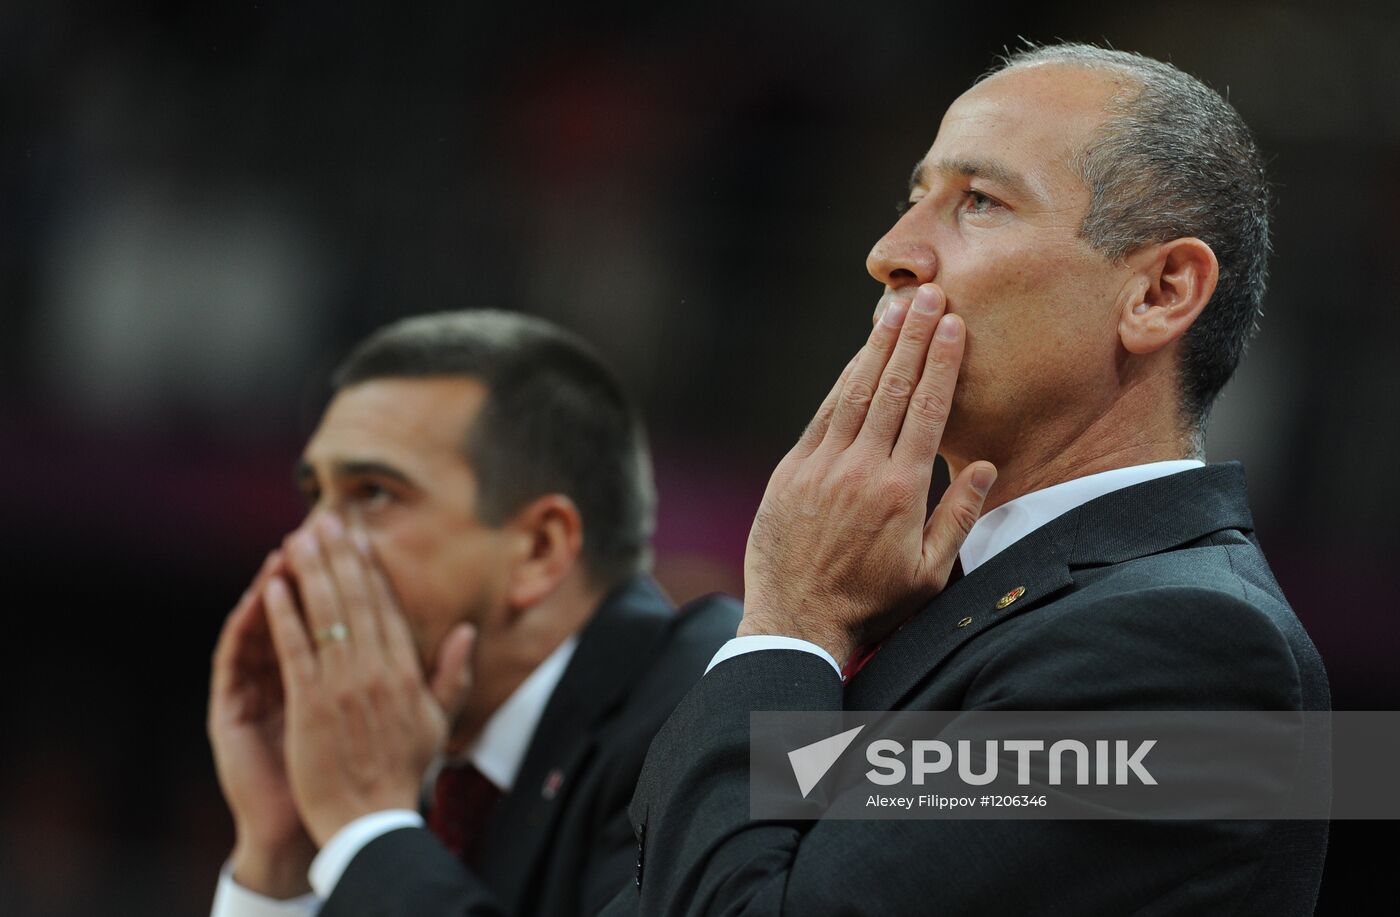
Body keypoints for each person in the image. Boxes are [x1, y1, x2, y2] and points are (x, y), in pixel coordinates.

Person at [605, 43, 1329, 916]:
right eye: (914, 199)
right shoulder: (935, 599)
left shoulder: (1189, 647)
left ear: (1161, 292)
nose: (891, 252)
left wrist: (786, 624)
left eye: (979, 202)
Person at [206, 310, 740, 917]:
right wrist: (281, 856)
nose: (306, 546)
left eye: (373, 493)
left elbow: (863, 787)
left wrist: (370, 829)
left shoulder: (733, 706)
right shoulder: (415, 759)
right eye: (314, 497)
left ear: (539, 549)